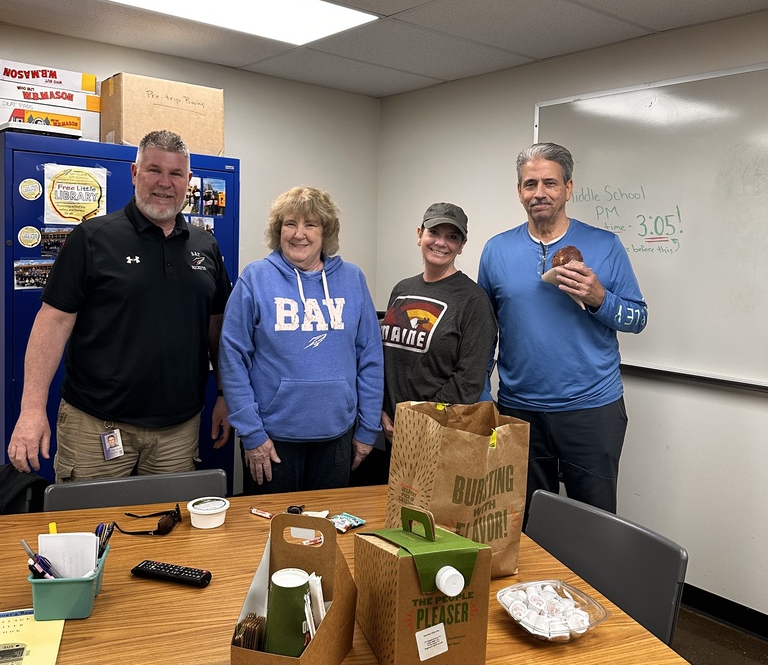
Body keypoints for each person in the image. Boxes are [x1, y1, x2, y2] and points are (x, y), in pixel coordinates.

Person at [7, 130, 231, 480]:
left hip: (178, 429)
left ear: (188, 180)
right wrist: (32, 409)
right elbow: (53, 322)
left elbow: (217, 326)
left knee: (168, 517)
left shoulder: (206, 245)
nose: (164, 183)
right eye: (154, 170)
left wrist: (223, 394)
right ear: (134, 173)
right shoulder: (92, 238)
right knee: (90, 518)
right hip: (96, 425)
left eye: (175, 173)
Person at [478, 142, 647, 517]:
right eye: (530, 184)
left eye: (550, 183)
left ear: (568, 188)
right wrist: (482, 396)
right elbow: (484, 333)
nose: (539, 193)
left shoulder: (606, 245)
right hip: (519, 410)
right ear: (520, 191)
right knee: (523, 520)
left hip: (592, 409)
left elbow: (638, 318)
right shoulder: (495, 250)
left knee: (594, 521)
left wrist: (599, 297)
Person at [219, 186, 383, 493]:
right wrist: (252, 433)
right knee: (270, 523)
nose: (299, 234)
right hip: (272, 440)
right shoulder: (255, 278)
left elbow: (371, 359)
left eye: (310, 224)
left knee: (327, 520)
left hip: (338, 437)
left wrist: (368, 429)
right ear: (278, 230)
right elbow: (232, 359)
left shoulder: (352, 279)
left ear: (326, 232)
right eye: (290, 224)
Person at [379, 201, 497, 460]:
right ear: (420, 234)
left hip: (438, 435)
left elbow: (469, 380)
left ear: (462, 245)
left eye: (452, 237)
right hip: (392, 430)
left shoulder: (474, 300)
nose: (441, 243)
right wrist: (382, 410)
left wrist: (420, 422)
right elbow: (388, 360)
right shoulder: (402, 290)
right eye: (434, 232)